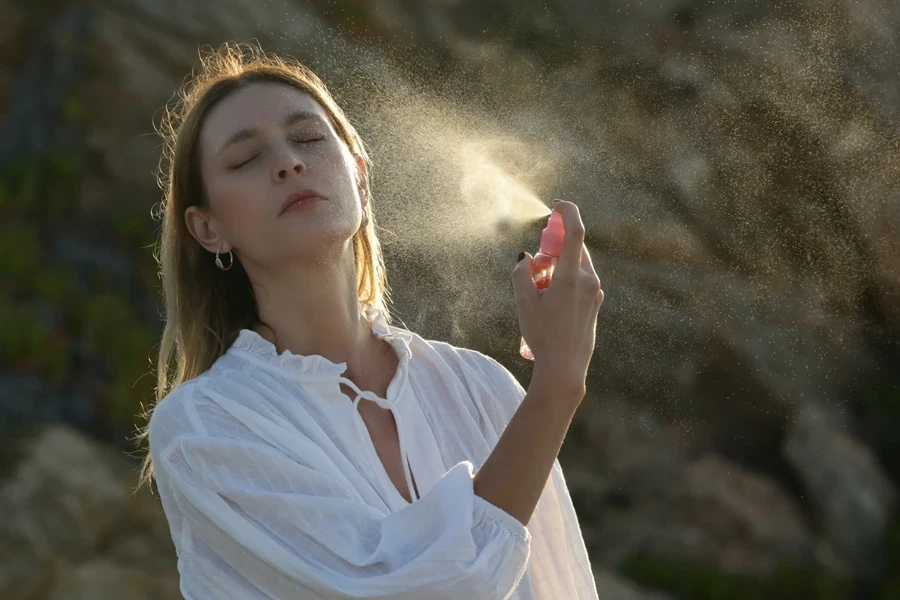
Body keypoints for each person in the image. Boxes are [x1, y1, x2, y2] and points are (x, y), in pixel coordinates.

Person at [137, 40, 604, 599]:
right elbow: (406, 590)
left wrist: (548, 388)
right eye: (245, 160)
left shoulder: (482, 390)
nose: (289, 161)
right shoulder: (206, 426)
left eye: (308, 137)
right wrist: (555, 386)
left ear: (359, 176)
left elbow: (560, 587)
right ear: (208, 228)